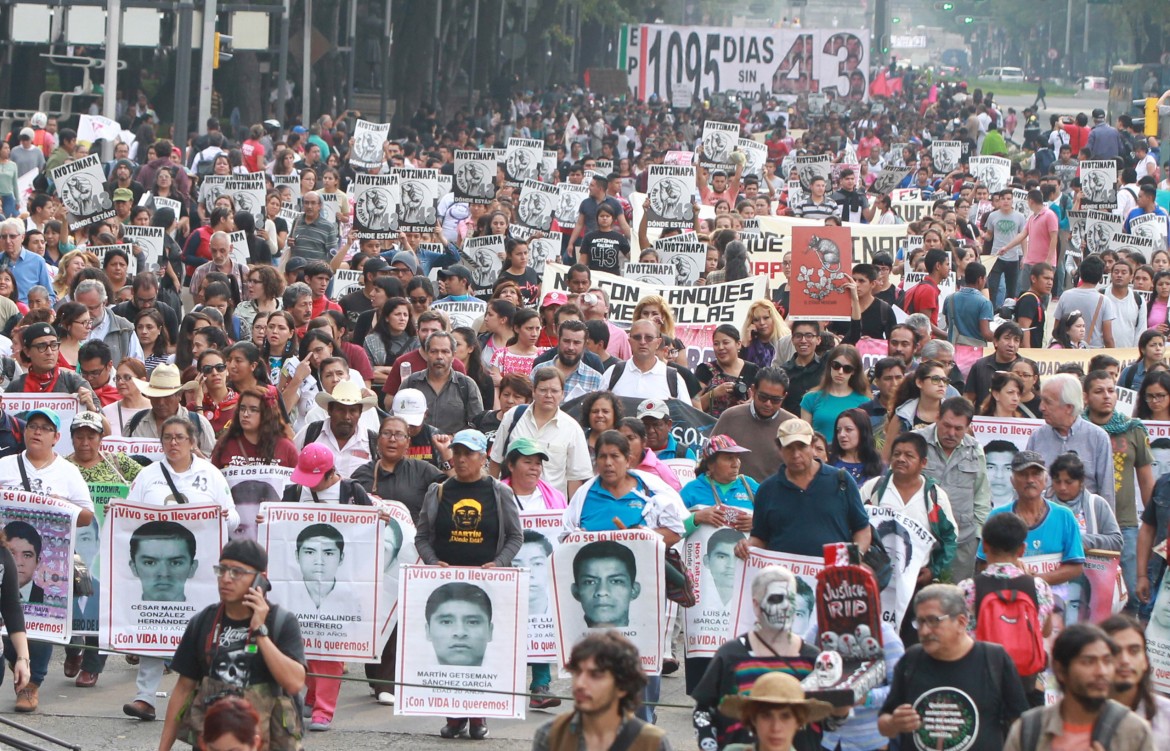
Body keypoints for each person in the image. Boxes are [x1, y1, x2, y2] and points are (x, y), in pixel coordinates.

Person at [414, 428, 523, 740]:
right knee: (450, 649)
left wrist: (499, 564)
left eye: (469, 454)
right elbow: (422, 536)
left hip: (488, 585)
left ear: (483, 457)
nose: (461, 459)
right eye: (457, 453)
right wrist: (434, 563)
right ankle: (454, 715)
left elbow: (516, 536)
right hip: (446, 586)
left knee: (477, 649)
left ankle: (477, 716)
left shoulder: (500, 492)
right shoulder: (438, 492)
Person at [156, 540, 307, 751]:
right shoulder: (203, 622)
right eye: (222, 570)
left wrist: (260, 632)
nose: (226, 579)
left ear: (259, 580)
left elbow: (294, 683)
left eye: (237, 572)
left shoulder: (281, 622)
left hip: (266, 742)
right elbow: (183, 690)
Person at [878, 584, 1029, 751]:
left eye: (934, 621)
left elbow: (1020, 724)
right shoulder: (911, 660)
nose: (924, 630)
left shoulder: (994, 659)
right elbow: (884, 724)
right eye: (920, 622)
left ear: (961, 622)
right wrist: (894, 723)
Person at [692, 566, 821, 751]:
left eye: (791, 599)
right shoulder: (731, 656)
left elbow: (828, 722)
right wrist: (710, 747)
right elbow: (703, 711)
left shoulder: (813, 659)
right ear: (756, 604)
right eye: (777, 599)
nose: (785, 606)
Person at [1003, 623, 1154, 751]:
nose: (1101, 671)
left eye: (1107, 661)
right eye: (1088, 661)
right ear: (1060, 670)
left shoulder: (1134, 731)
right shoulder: (1029, 729)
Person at [736, 418, 871, 559]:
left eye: (801, 446)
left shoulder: (841, 481)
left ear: (813, 446)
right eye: (789, 447)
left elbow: (862, 528)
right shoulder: (767, 490)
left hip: (833, 576)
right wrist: (746, 547)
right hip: (784, 576)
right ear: (779, 449)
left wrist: (856, 557)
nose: (796, 454)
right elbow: (760, 537)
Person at [530, 632, 668, 751]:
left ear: (622, 686)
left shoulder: (652, 743)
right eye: (577, 672)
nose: (580, 684)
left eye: (595, 675)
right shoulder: (552, 734)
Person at [860, 432, 958, 586]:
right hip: (875, 579)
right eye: (897, 454)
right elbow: (854, 524)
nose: (901, 459)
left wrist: (934, 570)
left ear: (923, 462)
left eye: (909, 455)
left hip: (916, 582)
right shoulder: (874, 488)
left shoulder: (935, 497)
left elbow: (950, 538)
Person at [977, 450, 1086, 586]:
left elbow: (1076, 567)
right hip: (1009, 597)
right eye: (1023, 474)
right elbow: (982, 563)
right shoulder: (998, 517)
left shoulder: (1064, 516)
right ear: (1012, 480)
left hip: (1055, 601)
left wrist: (1035, 581)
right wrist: (1010, 571)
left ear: (1046, 480)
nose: (1030, 480)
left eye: (1036, 474)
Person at [488, 369, 592, 499]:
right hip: (511, 501)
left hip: (550, 508)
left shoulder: (572, 429)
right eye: (543, 390)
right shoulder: (513, 416)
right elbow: (496, 459)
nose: (548, 395)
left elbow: (575, 478)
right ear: (533, 391)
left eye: (554, 391)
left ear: (562, 394)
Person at [1026, 373, 1116, 506]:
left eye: (1048, 402)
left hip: (1084, 522)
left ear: (1069, 407)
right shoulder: (1037, 437)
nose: (1041, 407)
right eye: (1042, 400)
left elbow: (1106, 491)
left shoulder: (1098, 438)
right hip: (1045, 520)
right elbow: (1026, 483)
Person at [1100, 614, 1170, 750]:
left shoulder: (1166, 715)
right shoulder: (1079, 713)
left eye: (1134, 651)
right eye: (1115, 651)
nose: (1125, 660)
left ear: (1145, 661)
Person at [400, 331, 484, 435]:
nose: (439, 356)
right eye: (434, 351)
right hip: (418, 448)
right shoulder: (411, 383)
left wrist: (453, 438)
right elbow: (398, 421)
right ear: (426, 354)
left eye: (445, 352)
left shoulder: (466, 385)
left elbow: (478, 425)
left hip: (453, 448)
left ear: (453, 355)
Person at [125, 363, 216, 456]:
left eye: (167, 397)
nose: (161, 402)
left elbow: (212, 465)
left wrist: (196, 454)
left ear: (179, 396)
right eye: (156, 396)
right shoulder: (135, 423)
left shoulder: (199, 424)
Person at [601, 319, 690, 404]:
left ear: (658, 343)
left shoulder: (673, 379)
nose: (643, 342)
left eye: (649, 338)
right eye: (637, 337)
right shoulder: (612, 373)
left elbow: (686, 416)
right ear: (629, 341)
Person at [1048, 452, 1123, 552]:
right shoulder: (1042, 504)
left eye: (1068, 482)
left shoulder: (1096, 504)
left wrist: (1081, 541)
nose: (1062, 487)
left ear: (1081, 482)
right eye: (1057, 482)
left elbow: (1116, 541)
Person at [800, 344, 870, 438]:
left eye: (847, 368)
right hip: (818, 451)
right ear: (829, 366)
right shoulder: (810, 398)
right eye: (836, 365)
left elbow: (866, 439)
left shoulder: (865, 402)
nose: (840, 371)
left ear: (854, 371)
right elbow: (804, 437)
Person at [780, 321, 825, 415]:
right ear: (792, 339)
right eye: (798, 336)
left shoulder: (826, 368)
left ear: (818, 339)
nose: (803, 340)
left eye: (809, 336)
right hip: (791, 426)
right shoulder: (782, 372)